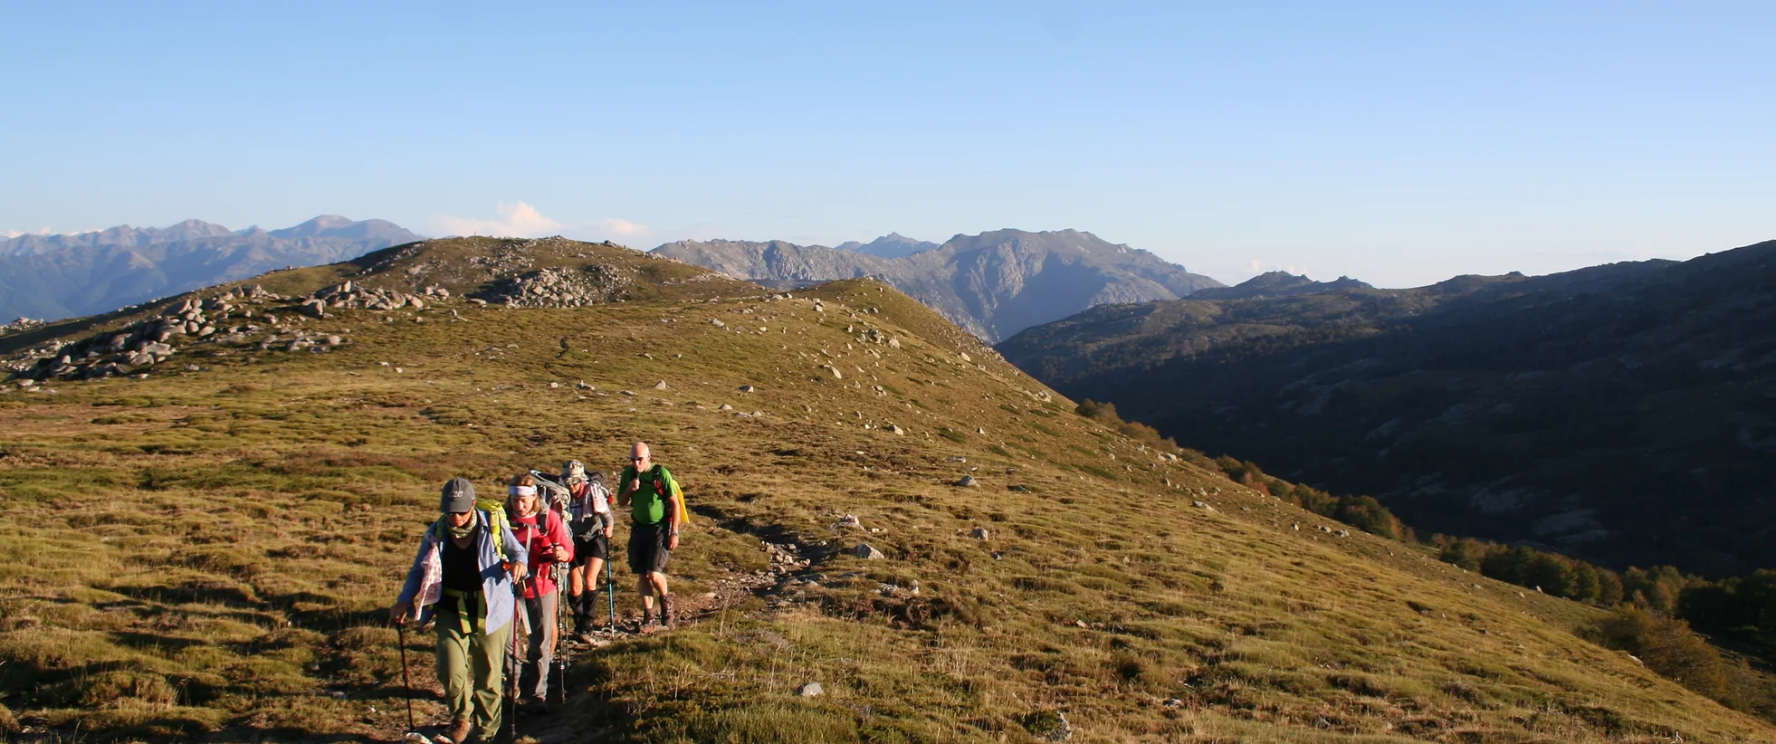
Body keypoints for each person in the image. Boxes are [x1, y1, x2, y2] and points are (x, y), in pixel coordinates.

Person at [390, 478, 528, 744]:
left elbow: (518, 553)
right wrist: (404, 601)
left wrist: (519, 565)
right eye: (450, 512)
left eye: (461, 511)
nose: (455, 517)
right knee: (450, 670)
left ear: (473, 506)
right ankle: (461, 717)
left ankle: (486, 733)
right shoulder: (437, 531)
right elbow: (419, 571)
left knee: (488, 676)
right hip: (450, 609)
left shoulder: (493, 527)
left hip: (490, 609)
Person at [506, 474, 572, 711]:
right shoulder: (501, 520)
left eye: (523, 500)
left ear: (534, 497)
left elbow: (568, 550)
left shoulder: (548, 519)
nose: (518, 505)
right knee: (508, 643)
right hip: (508, 590)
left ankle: (538, 693)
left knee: (541, 643)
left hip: (543, 586)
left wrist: (561, 555)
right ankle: (511, 689)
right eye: (514, 500)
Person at [616, 442, 683, 632]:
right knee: (642, 574)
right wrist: (630, 488)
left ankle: (665, 602)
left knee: (654, 572)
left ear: (648, 457)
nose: (636, 463)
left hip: (659, 529)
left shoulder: (661, 474)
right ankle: (648, 616)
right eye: (633, 459)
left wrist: (674, 532)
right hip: (638, 529)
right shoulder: (628, 475)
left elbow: (674, 503)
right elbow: (621, 502)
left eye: (640, 459)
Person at [562, 460, 613, 637]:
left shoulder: (592, 491)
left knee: (589, 579)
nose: (571, 486)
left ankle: (588, 622)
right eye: (568, 482)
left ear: (581, 480)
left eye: (575, 482)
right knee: (574, 586)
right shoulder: (562, 495)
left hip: (595, 538)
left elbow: (607, 517)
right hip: (574, 540)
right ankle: (579, 619)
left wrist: (609, 528)